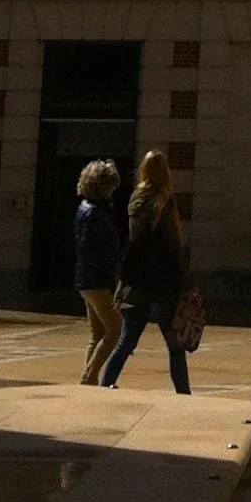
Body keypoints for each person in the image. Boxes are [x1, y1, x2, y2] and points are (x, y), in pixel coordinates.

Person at [100, 151, 194, 393]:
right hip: (161, 281)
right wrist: (186, 280)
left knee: (126, 340)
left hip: (136, 279)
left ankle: (105, 384)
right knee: (174, 345)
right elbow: (173, 243)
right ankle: (183, 394)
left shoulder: (136, 198)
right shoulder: (164, 199)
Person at [73, 158, 123, 384]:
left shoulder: (84, 208)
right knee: (115, 330)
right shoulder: (96, 213)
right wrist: (112, 273)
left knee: (97, 333)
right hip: (97, 280)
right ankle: (89, 375)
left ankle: (89, 380)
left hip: (86, 279)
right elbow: (98, 249)